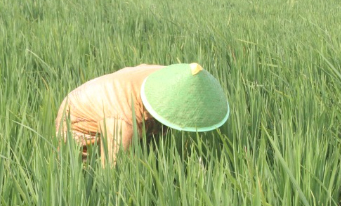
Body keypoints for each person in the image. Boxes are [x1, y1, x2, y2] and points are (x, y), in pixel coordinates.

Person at [55, 63, 229, 164]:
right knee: (89, 166)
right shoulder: (122, 122)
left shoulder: (175, 77)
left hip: (115, 94)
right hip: (78, 120)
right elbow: (109, 172)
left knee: (154, 145)